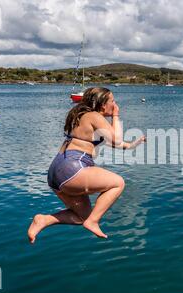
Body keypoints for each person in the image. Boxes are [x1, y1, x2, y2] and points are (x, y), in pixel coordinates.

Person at [27, 87, 146, 242]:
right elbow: (116, 139)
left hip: (57, 170)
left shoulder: (83, 117)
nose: (115, 104)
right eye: (113, 101)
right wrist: (116, 115)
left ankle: (44, 220)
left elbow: (116, 143)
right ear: (103, 104)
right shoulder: (94, 115)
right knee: (118, 183)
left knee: (81, 217)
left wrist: (135, 144)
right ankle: (94, 221)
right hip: (73, 166)